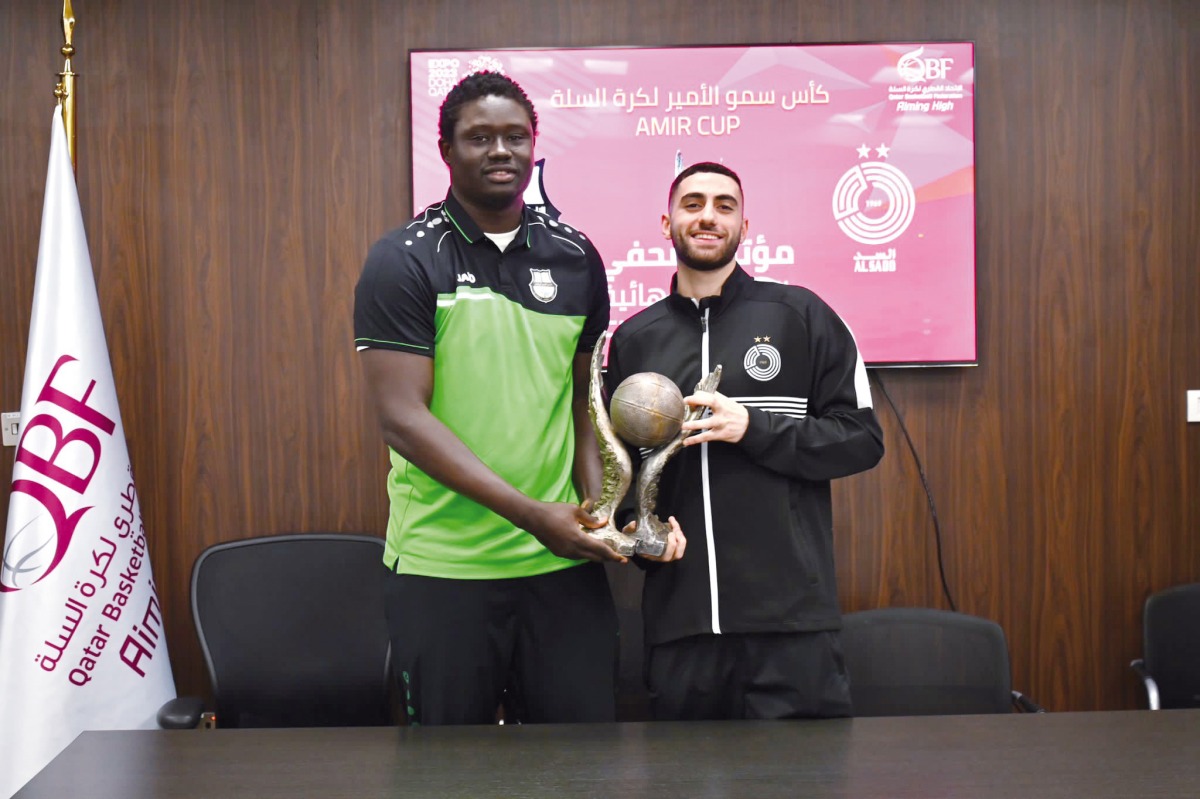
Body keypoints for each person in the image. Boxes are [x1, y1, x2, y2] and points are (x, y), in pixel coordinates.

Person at [353, 71, 624, 726]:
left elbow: (583, 402)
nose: (500, 150)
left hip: (561, 569)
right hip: (442, 572)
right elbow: (402, 419)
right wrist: (534, 514)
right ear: (446, 152)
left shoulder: (576, 256)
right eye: (479, 137)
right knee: (447, 777)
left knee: (579, 771)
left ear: (535, 146)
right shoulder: (405, 260)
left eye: (515, 136)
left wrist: (600, 507)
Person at [606, 161, 885, 720]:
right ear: (667, 223)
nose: (708, 216)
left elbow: (860, 439)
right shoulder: (635, 340)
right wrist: (637, 528)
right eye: (692, 204)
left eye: (723, 205)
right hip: (679, 630)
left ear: (744, 226)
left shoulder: (801, 315)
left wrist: (754, 427)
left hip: (791, 630)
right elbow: (625, 474)